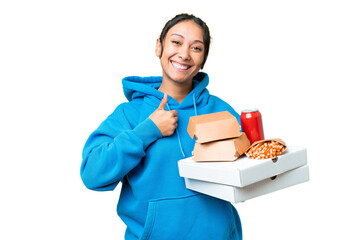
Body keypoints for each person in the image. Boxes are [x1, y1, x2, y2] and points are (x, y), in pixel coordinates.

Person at [81, 13, 243, 240]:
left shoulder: (220, 110)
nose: (184, 54)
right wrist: (147, 131)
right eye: (176, 42)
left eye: (196, 48)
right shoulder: (130, 115)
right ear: (159, 46)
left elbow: (247, 168)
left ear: (203, 58)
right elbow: (92, 173)